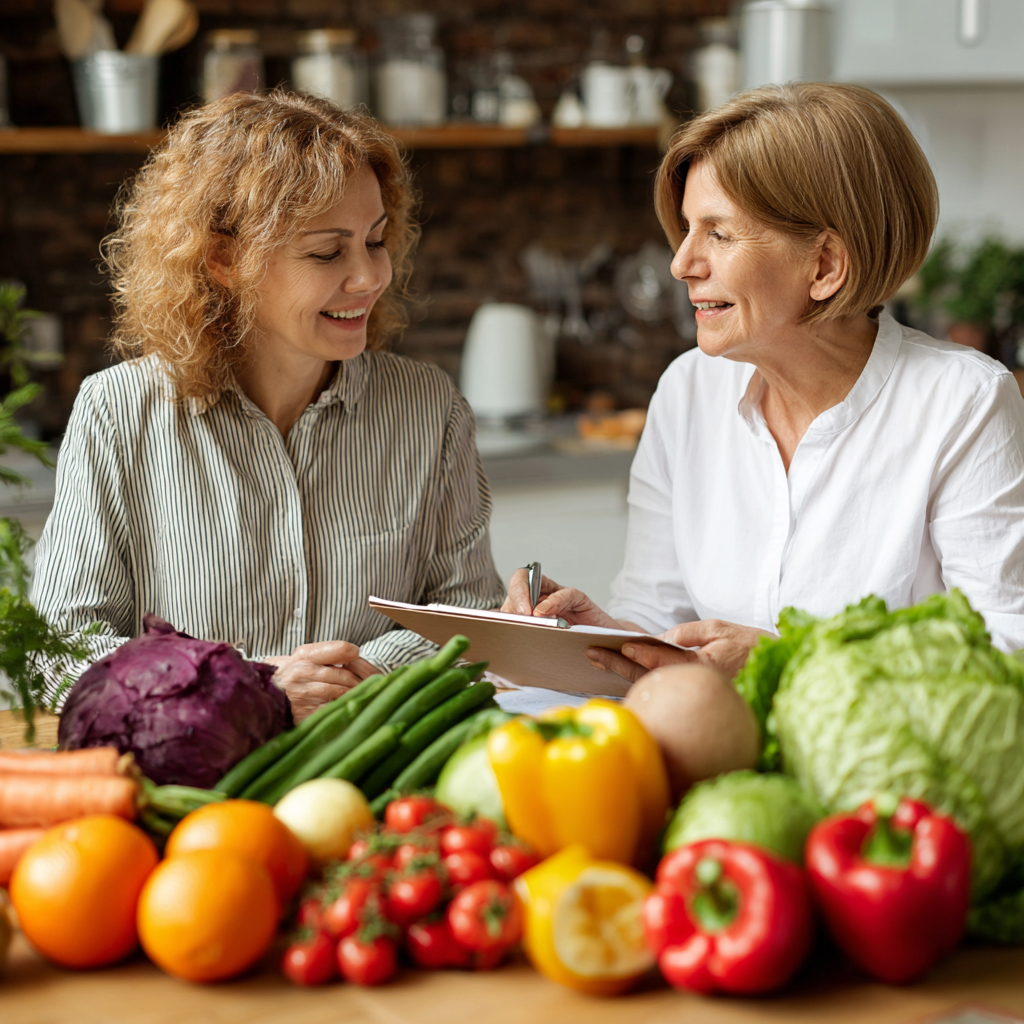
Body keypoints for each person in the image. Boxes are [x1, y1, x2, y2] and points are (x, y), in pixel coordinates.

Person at [504, 82, 1024, 686]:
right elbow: (662, 617)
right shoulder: (687, 390)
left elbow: (1006, 652)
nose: (682, 263)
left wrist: (789, 658)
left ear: (824, 266)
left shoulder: (965, 403)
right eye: (687, 229)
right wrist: (599, 633)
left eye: (718, 234)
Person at [31, 90, 504, 720]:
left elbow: (472, 622)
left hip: (376, 775)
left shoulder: (428, 408)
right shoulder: (118, 414)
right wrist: (246, 689)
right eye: (327, 251)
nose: (369, 277)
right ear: (223, 257)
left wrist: (353, 681)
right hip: (195, 789)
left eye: (376, 240)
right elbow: (59, 657)